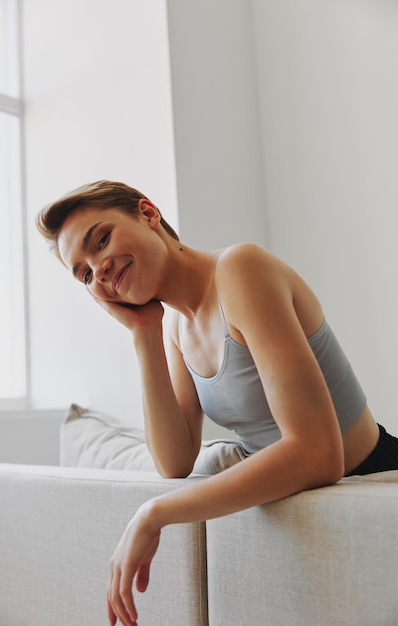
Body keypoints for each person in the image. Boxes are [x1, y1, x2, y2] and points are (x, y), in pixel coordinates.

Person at [37, 180, 398, 626]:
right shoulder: (173, 328)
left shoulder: (240, 270)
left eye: (102, 240)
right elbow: (173, 461)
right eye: (85, 275)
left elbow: (320, 454)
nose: (100, 270)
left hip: (373, 467)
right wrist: (144, 333)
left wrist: (155, 513)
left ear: (148, 214)